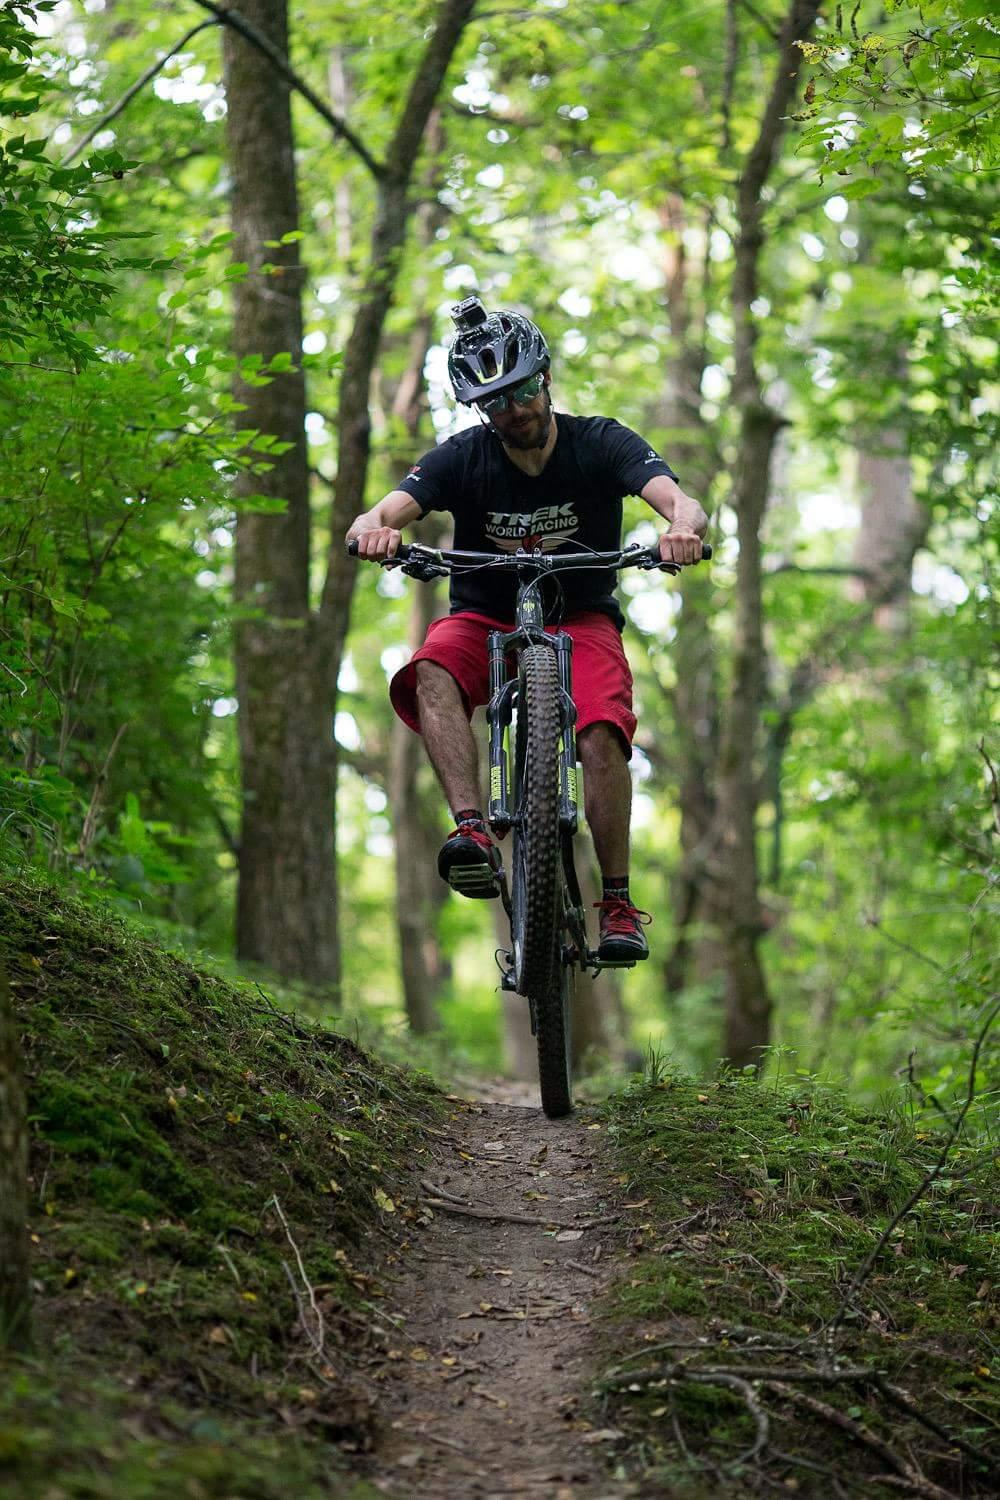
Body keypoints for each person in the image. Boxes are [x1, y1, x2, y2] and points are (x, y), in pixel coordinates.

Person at [347, 297, 707, 962]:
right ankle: (473, 832)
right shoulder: (462, 458)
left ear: (546, 378)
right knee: (430, 668)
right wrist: (374, 530)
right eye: (496, 401)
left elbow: (677, 497)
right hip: (482, 615)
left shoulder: (601, 441)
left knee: (601, 732)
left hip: (583, 616)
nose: (514, 409)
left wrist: (682, 527)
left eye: (522, 390)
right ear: (482, 410)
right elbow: (385, 511)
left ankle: (617, 902)